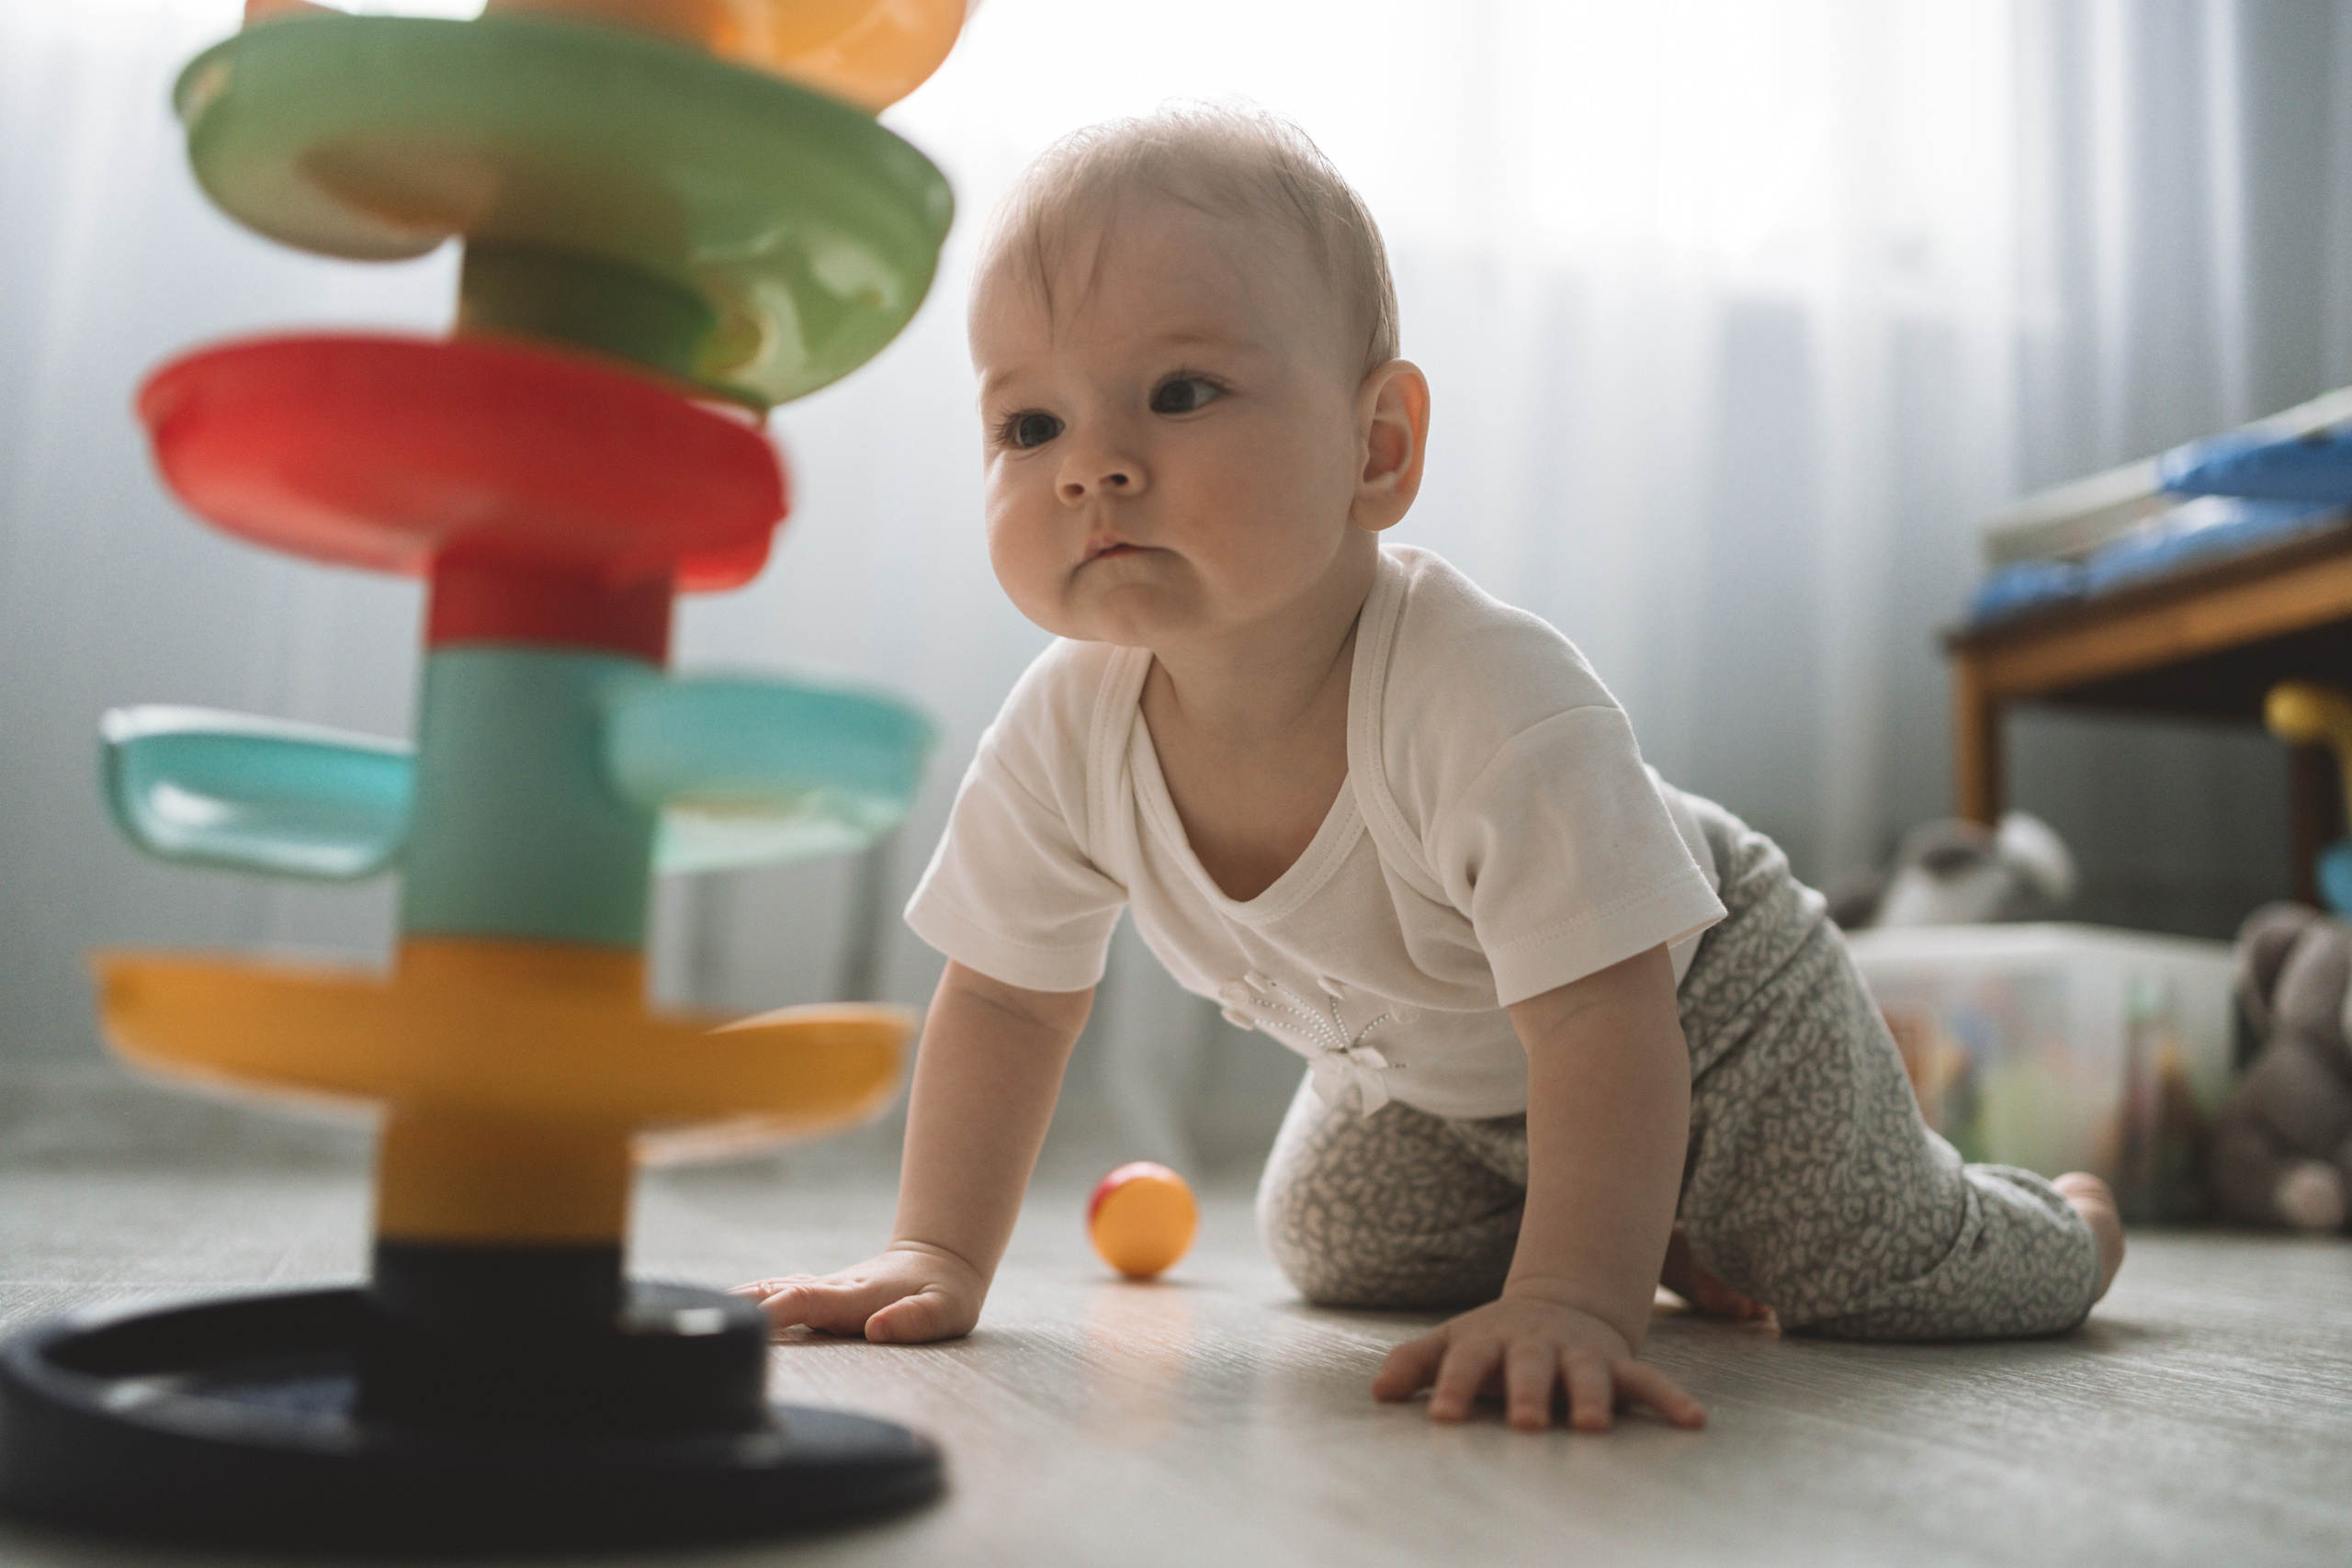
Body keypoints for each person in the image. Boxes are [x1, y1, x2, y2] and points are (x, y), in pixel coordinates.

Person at [732, 105, 2124, 1433]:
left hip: (1700, 1002)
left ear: (1376, 447)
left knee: (1868, 1271)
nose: (1090, 467)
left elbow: (1600, 1022)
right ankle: (1669, 1216)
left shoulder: (1482, 695)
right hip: (1435, 1063)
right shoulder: (1062, 729)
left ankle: (2056, 1221)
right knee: (1337, 1250)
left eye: (1178, 393)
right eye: (1028, 426)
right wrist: (935, 1248)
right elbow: (1009, 1005)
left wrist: (1574, 1303)